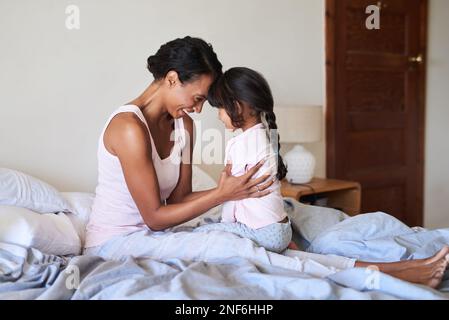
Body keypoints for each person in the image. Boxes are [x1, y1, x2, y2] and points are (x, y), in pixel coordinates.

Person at [84, 37, 449, 289]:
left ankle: (399, 267)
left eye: (204, 101)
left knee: (285, 234)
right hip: (118, 242)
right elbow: (153, 216)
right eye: (196, 98)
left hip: (160, 231)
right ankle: (391, 273)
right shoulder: (128, 129)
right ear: (171, 79)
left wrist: (233, 191)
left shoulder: (184, 125)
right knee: (244, 249)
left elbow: (178, 201)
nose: (199, 109)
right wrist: (224, 194)